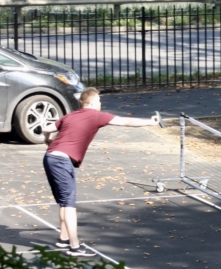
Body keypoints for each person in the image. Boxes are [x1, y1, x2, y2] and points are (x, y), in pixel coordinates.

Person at [42, 87, 160, 257]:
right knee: (69, 204)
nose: (100, 104)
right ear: (92, 103)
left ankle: (63, 239)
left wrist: (48, 141)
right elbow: (126, 122)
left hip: (51, 158)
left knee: (64, 201)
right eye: (99, 101)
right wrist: (150, 122)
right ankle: (74, 247)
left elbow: (46, 128)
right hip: (61, 161)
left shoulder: (70, 115)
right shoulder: (96, 116)